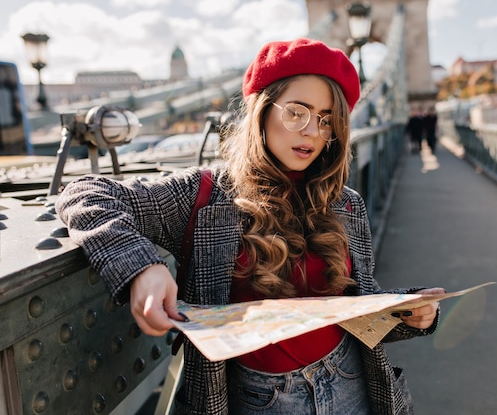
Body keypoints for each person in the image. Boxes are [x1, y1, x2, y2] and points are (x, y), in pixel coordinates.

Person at [56, 38, 444, 415]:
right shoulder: (206, 195)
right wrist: (141, 268)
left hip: (350, 383)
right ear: (263, 110)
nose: (312, 130)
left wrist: (405, 311)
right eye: (297, 112)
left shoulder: (346, 203)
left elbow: (357, 305)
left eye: (327, 119)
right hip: (260, 399)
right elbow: (84, 193)